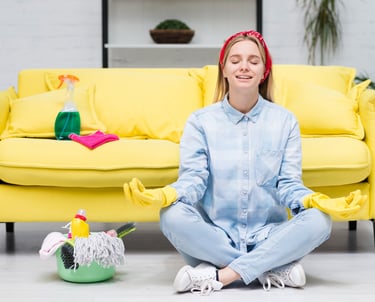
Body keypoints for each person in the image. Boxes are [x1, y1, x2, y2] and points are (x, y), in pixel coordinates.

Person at [123, 30, 366, 295]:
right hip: (216, 235)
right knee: (171, 214)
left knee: (320, 220)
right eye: (235, 60)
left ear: (264, 71)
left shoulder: (285, 121)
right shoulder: (200, 121)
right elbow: (194, 180)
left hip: (266, 235)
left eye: (253, 60)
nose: (244, 66)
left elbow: (288, 185)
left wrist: (316, 201)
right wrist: (166, 194)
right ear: (224, 69)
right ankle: (270, 268)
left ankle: (219, 273)